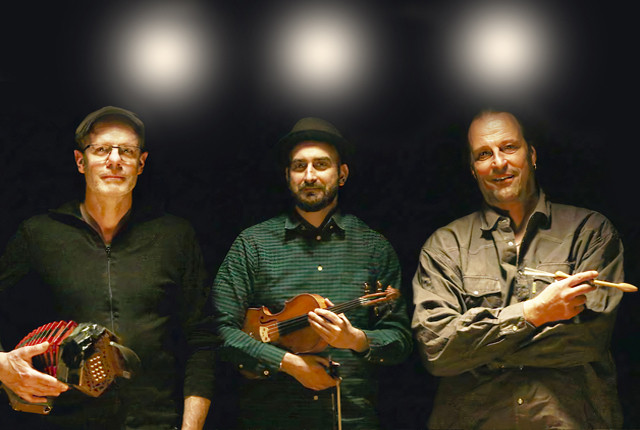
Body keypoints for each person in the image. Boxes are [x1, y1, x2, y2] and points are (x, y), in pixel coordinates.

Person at [0, 106, 214, 429]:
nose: (115, 160)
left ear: (141, 163)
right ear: (80, 161)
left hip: (155, 422)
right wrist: (2, 366)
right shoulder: (39, 234)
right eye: (101, 150)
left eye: (126, 151)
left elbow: (202, 339)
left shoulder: (174, 236)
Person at [412, 110, 625, 429]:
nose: (498, 162)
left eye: (509, 147)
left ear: (532, 155)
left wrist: (475, 350)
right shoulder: (445, 246)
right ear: (473, 170)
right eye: (484, 154)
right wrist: (534, 313)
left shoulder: (589, 231)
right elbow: (437, 350)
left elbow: (587, 339)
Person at [211, 117, 412, 429]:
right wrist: (289, 364)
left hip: (352, 421)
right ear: (287, 176)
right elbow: (220, 330)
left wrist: (356, 339)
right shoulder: (253, 245)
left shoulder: (374, 247)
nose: (309, 176)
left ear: (341, 174)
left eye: (321, 164)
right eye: (299, 166)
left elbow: (400, 340)